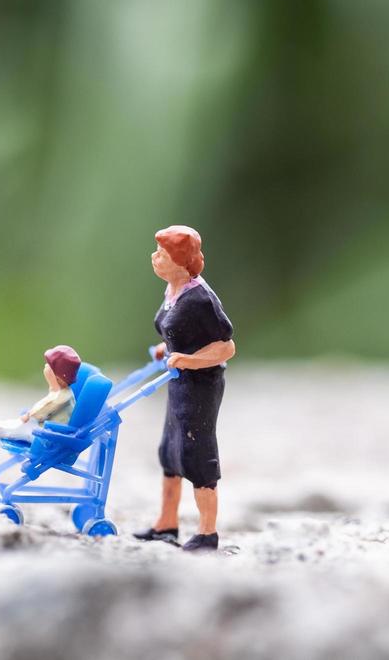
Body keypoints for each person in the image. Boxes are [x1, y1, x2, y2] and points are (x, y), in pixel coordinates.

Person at [134, 226, 235, 553]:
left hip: (200, 388)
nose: (155, 257)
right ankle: (166, 523)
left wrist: (190, 361)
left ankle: (207, 533)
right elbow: (178, 333)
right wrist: (167, 349)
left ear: (180, 261)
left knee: (198, 457)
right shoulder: (172, 291)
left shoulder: (200, 299)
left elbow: (225, 347)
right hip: (178, 384)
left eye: (161, 254)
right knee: (170, 452)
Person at [0, 345, 82, 442]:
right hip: (49, 427)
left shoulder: (62, 397)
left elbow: (43, 410)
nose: (45, 367)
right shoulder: (60, 392)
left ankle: (8, 431)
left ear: (58, 377)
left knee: (26, 426)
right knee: (25, 422)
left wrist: (28, 416)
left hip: (50, 433)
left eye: (49, 366)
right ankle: (12, 425)